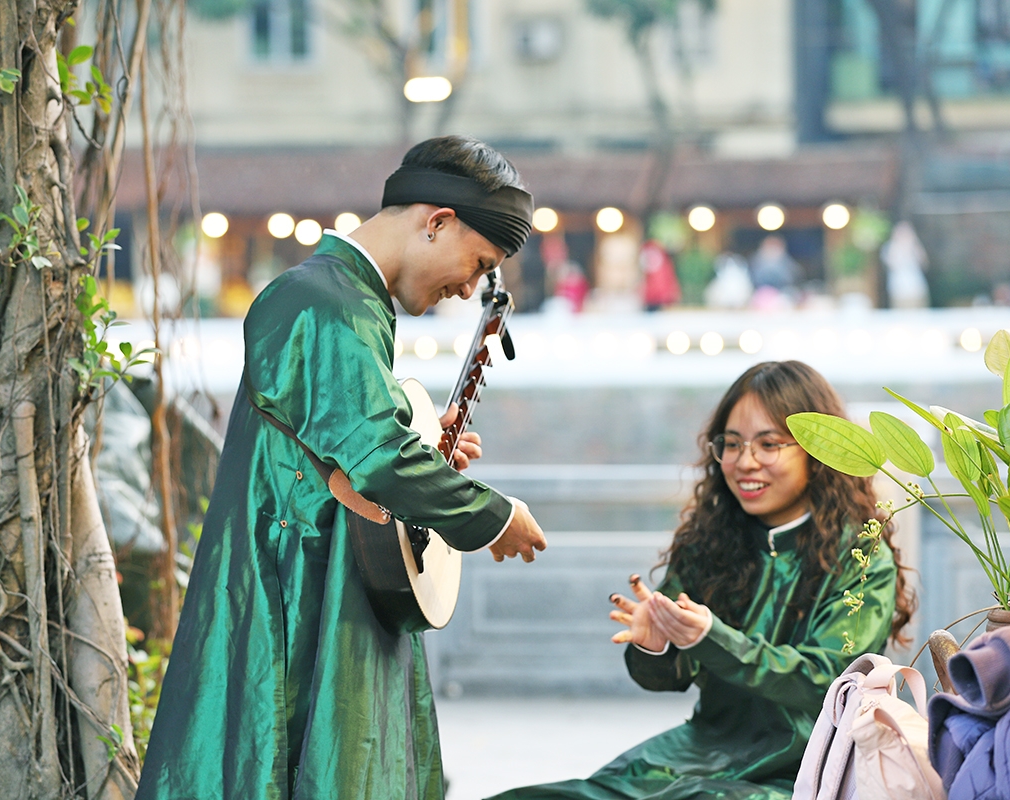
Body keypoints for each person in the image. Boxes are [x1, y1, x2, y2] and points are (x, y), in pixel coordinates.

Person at [137, 136, 549, 800]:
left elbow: (349, 443)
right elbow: (377, 458)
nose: (468, 288)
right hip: (293, 596)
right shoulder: (321, 303)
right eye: (477, 263)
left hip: (325, 585)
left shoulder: (345, 303)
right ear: (436, 220)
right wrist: (492, 516)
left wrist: (418, 439)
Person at [491, 361, 915, 800]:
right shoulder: (711, 541)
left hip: (805, 767)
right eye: (731, 444)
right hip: (703, 748)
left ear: (819, 451)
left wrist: (714, 637)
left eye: (768, 444)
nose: (745, 462)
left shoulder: (861, 558)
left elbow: (825, 680)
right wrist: (654, 647)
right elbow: (669, 676)